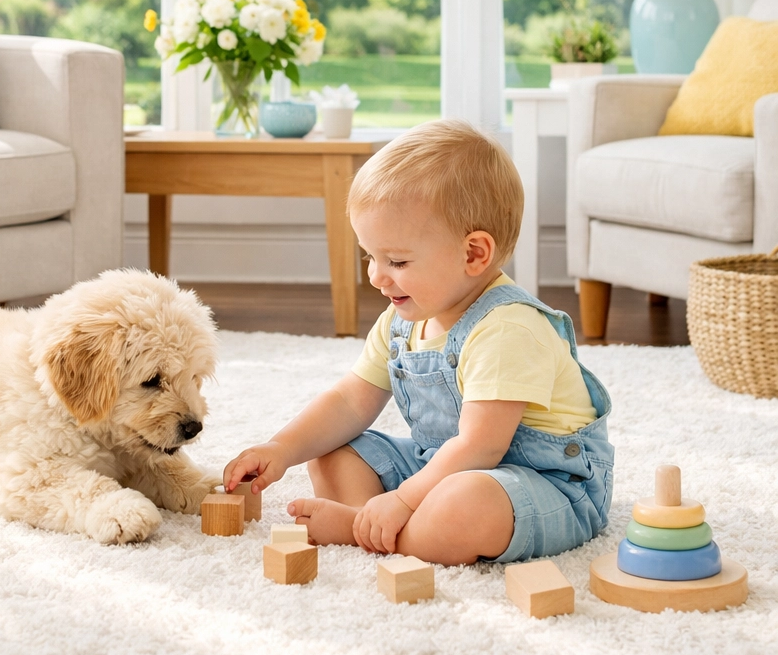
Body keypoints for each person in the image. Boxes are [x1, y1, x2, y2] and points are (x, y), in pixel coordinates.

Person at [223, 119, 613, 565]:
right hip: (441, 467)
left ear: (474, 254)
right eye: (370, 256)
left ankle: (362, 529)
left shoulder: (508, 329)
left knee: (465, 503)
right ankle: (376, 520)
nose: (375, 275)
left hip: (546, 484)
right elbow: (351, 402)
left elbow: (480, 447)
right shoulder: (402, 321)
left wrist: (406, 499)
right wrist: (282, 448)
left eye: (397, 260)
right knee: (333, 451)